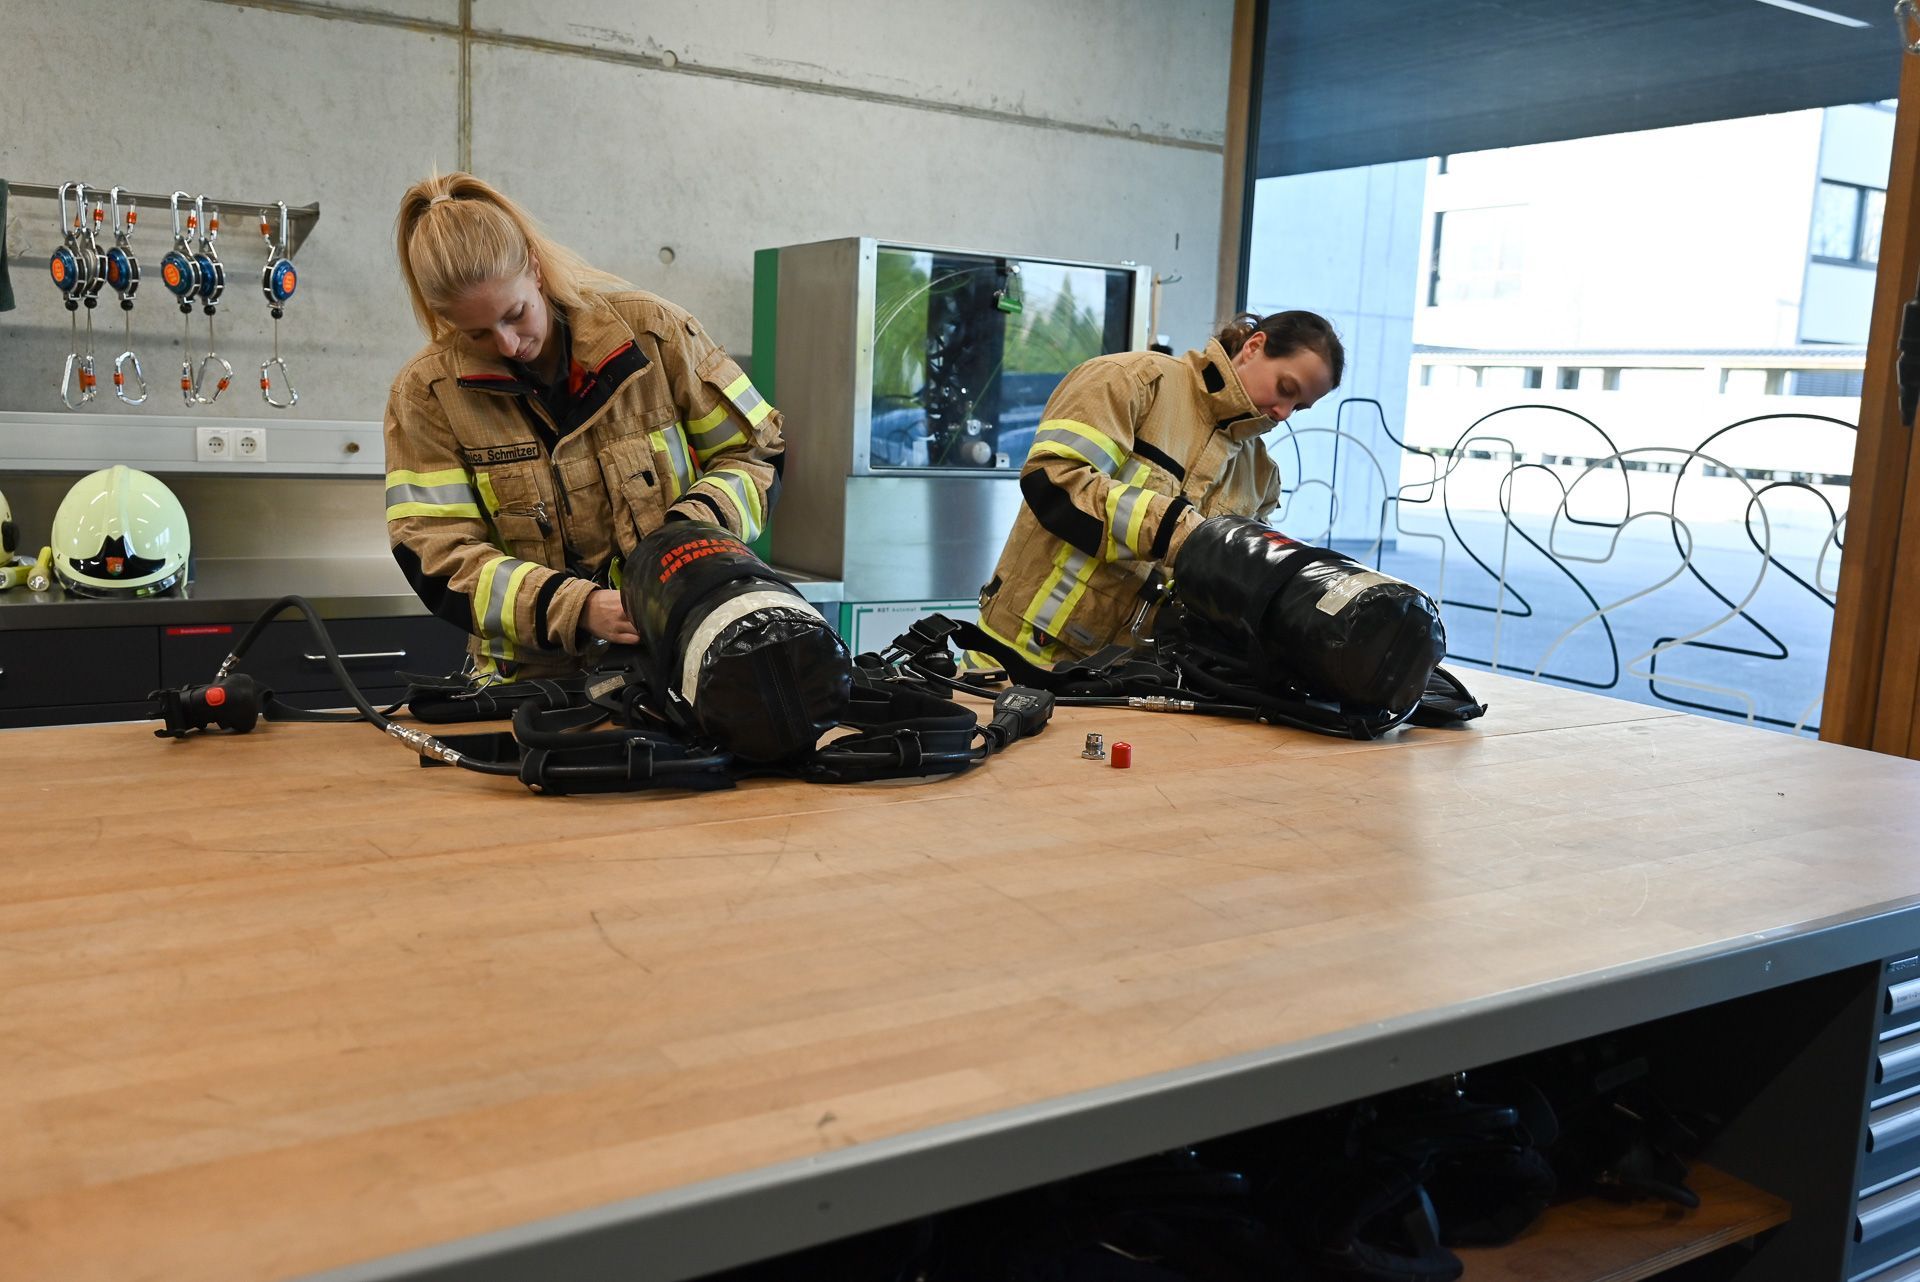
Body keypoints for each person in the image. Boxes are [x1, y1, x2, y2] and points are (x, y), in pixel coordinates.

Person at [384, 172, 783, 681]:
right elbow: (437, 554)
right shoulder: (426, 395)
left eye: (516, 314)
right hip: (531, 689)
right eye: (478, 333)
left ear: (535, 268)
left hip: (680, 661)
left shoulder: (654, 335)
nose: (508, 344)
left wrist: (684, 538)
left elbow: (757, 454)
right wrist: (578, 608)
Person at [976, 309, 1342, 663]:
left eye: (1299, 407)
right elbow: (1053, 481)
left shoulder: (1261, 476)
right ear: (1253, 346)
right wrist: (1176, 531)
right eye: (1285, 388)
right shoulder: (1132, 380)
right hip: (1018, 653)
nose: (1283, 412)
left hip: (1124, 678)